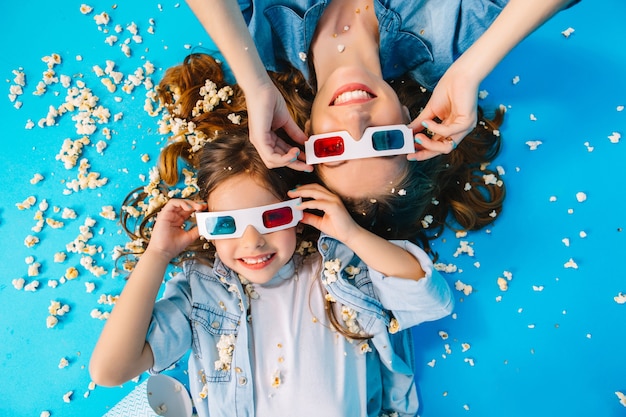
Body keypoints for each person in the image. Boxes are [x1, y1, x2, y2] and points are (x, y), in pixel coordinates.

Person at [89, 133, 453, 417]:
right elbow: (110, 370)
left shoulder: (337, 270)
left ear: (297, 210)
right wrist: (159, 253)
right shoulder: (199, 294)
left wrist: (351, 233)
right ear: (207, 228)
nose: (252, 241)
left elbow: (433, 298)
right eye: (228, 224)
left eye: (272, 217)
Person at [183, 0, 575, 215]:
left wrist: (254, 81)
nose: (356, 122)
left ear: (307, 136)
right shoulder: (448, 41)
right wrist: (471, 69)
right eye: (384, 141)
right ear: (409, 121)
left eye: (334, 149)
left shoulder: (258, 33)